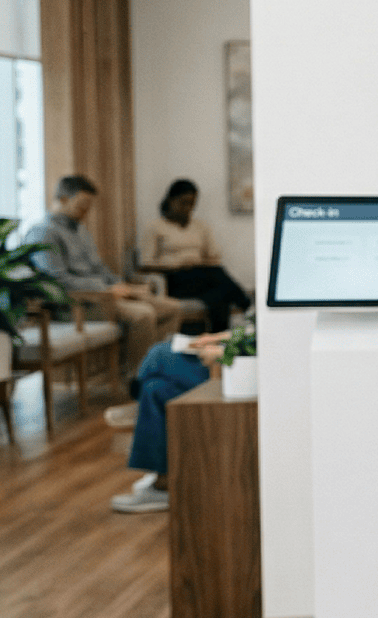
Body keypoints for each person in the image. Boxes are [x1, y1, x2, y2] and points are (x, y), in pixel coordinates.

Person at [24, 175, 183, 371]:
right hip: (76, 305)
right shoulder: (43, 233)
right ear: (63, 199)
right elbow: (57, 281)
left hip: (104, 297)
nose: (86, 211)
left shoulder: (81, 230)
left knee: (172, 307)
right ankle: (139, 378)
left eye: (89, 206)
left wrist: (124, 286)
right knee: (143, 315)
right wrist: (108, 289)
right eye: (82, 205)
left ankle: (161, 367)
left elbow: (99, 268)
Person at [107, 333, 228, 513]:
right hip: (232, 350)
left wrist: (221, 347)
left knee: (160, 352)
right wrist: (215, 338)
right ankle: (162, 483)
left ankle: (136, 401)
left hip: (232, 363)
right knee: (155, 388)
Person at [142, 178, 252, 332]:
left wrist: (204, 261)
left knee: (218, 295)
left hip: (202, 274)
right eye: (183, 202)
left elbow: (213, 255)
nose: (187, 208)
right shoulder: (155, 227)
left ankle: (217, 340)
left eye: (192, 204)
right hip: (175, 277)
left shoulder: (201, 226)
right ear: (171, 200)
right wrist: (177, 265)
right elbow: (145, 263)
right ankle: (247, 305)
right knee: (219, 281)